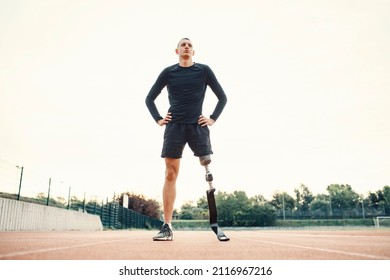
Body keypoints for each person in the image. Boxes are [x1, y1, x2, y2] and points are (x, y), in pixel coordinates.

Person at [145, 38, 227, 241]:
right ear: (177, 51)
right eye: (183, 44)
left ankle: (215, 222)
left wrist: (212, 119)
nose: (186, 47)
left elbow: (222, 97)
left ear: (193, 52)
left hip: (198, 126)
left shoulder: (204, 70)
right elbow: (149, 98)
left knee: (207, 167)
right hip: (174, 127)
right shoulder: (168, 72)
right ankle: (167, 226)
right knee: (170, 174)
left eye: (189, 45)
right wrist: (158, 119)